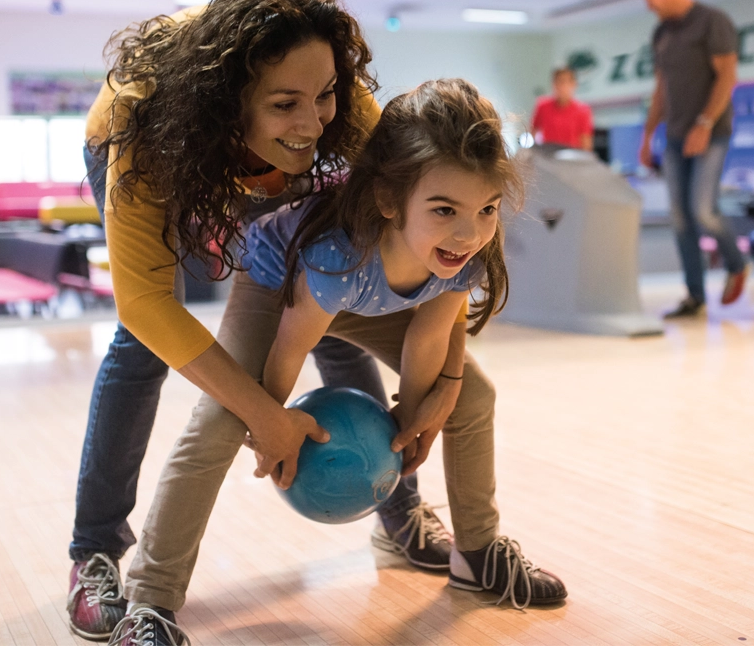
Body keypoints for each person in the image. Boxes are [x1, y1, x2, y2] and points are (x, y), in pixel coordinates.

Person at [109, 79, 568, 646]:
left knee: (472, 394)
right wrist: (268, 425)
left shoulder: (467, 245)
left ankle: (477, 555)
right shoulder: (339, 254)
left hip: (358, 295)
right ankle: (149, 600)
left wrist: (412, 422)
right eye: (444, 209)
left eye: (487, 209)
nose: (468, 231)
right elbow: (289, 348)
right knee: (221, 420)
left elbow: (429, 335)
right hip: (278, 285)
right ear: (387, 200)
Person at [68, 0, 452, 642]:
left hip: (251, 148)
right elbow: (145, 305)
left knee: (331, 295)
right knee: (140, 347)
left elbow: (437, 239)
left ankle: (399, 510)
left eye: (324, 95)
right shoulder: (146, 124)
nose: (312, 122)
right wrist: (263, 415)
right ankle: (93, 553)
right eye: (285, 103)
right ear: (231, 106)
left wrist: (443, 383)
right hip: (146, 141)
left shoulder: (339, 109)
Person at [638, 0, 748, 318]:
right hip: (674, 137)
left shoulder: (712, 21)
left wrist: (704, 122)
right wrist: (647, 135)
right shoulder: (661, 33)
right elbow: (661, 89)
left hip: (711, 133)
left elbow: (728, 76)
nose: (649, 7)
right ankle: (695, 296)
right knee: (681, 219)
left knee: (703, 209)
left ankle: (737, 262)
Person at [531, 67, 594, 150]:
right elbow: (532, 132)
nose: (562, 86)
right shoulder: (542, 106)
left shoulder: (583, 110)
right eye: (559, 82)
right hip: (547, 155)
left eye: (566, 82)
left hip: (572, 157)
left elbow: (586, 143)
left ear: (574, 84)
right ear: (553, 84)